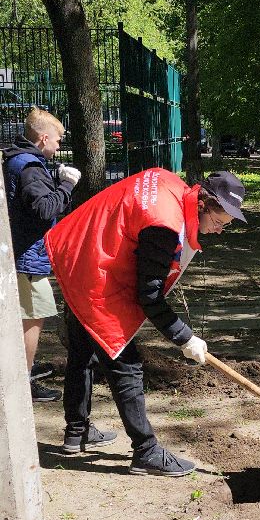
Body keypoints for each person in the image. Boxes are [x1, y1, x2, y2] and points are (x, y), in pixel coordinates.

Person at [45, 167, 246, 476]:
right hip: (95, 268)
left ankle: (77, 430)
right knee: (124, 362)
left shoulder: (172, 187)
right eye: (219, 222)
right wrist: (185, 338)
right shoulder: (164, 224)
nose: (220, 231)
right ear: (203, 203)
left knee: (82, 349)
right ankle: (146, 451)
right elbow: (149, 296)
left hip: (82, 249)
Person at [3, 107, 81, 401]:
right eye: (58, 140)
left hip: (23, 255)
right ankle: (21, 384)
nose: (60, 145)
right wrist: (67, 184)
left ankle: (21, 378)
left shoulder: (22, 162)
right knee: (32, 317)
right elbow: (44, 209)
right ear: (43, 138)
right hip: (27, 258)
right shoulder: (30, 166)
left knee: (28, 317)